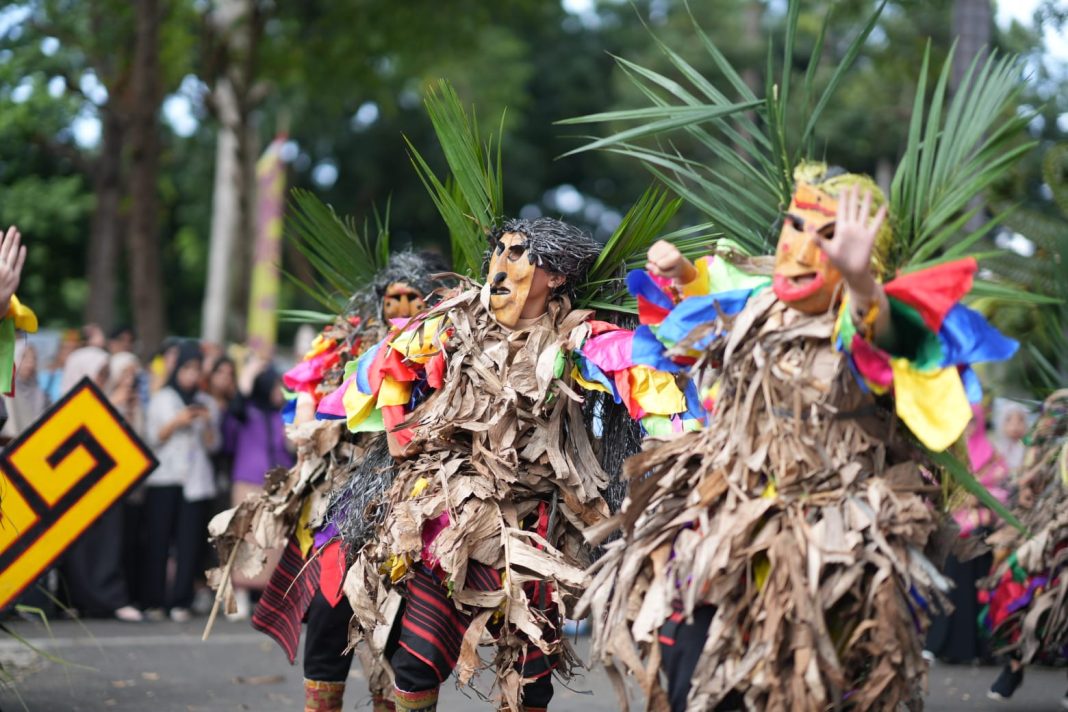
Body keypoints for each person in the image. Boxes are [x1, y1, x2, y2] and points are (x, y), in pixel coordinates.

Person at [58, 346, 143, 621]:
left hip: (105, 485)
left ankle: (109, 598)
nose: (105, 379)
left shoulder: (109, 399)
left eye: (107, 373)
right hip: (76, 487)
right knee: (76, 547)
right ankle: (73, 600)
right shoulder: (64, 402)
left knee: (107, 544)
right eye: (100, 373)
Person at [143, 341, 218, 622]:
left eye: (196, 369)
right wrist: (179, 420)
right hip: (165, 478)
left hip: (195, 481)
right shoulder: (162, 398)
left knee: (189, 542)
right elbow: (153, 437)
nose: (191, 375)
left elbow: (214, 446)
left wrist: (207, 423)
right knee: (159, 540)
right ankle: (155, 599)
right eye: (186, 368)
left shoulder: (206, 401)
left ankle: (180, 600)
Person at [223, 358, 294, 620]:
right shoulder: (246, 411)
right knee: (245, 539)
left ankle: (265, 596)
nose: (279, 393)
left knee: (273, 541)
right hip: (248, 483)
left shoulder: (284, 414)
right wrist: (248, 376)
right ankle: (238, 593)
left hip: (277, 486)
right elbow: (233, 415)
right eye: (275, 387)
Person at [1, 342, 50, 442]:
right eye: (24, 357)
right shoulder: (4, 392)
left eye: (34, 358)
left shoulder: (41, 394)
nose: (30, 363)